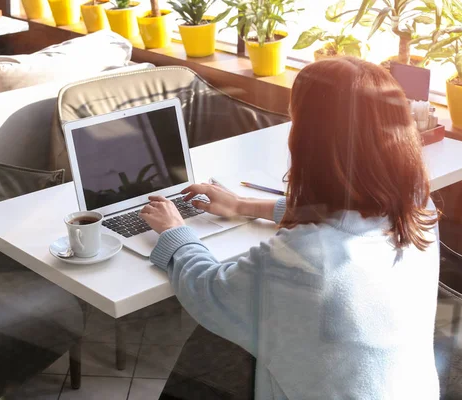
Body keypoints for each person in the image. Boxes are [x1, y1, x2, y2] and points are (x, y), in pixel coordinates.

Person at [139, 57, 440, 399]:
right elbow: (347, 213)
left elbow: (211, 292)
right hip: (413, 388)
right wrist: (244, 206)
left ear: (310, 142)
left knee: (206, 349)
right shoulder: (416, 208)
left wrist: (175, 233)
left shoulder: (306, 257)